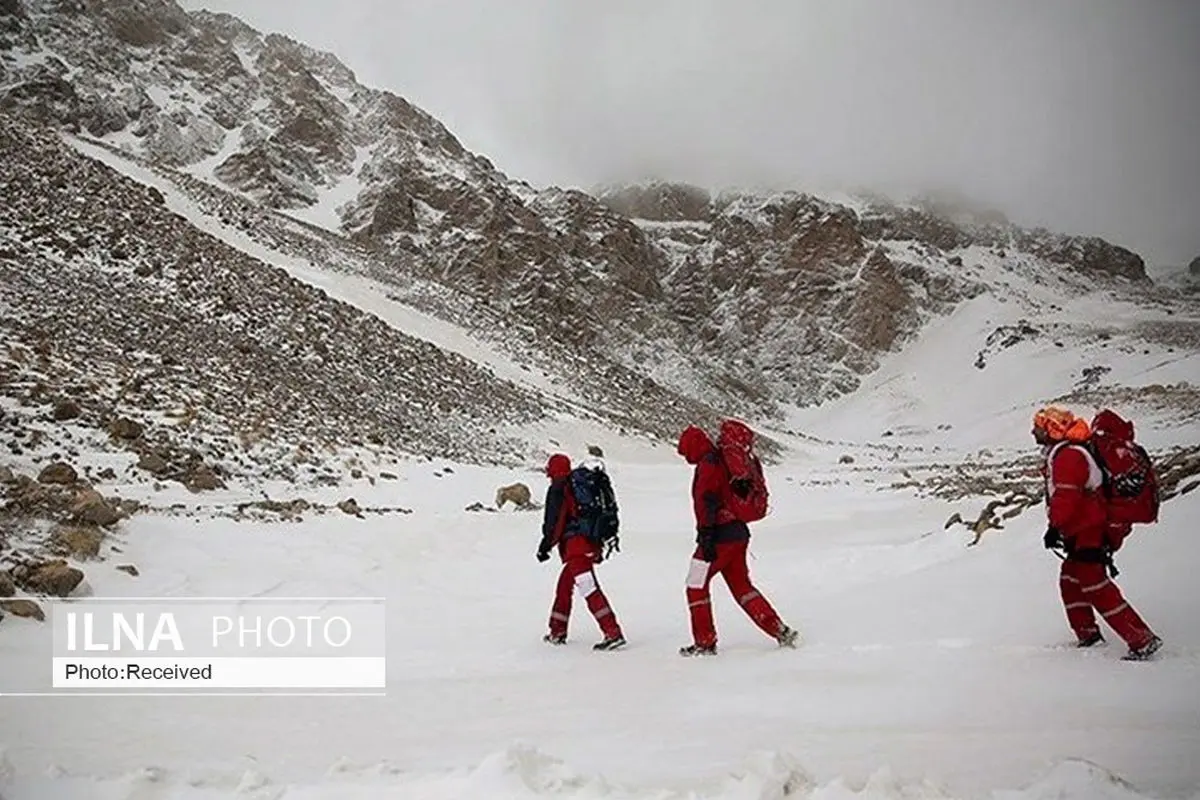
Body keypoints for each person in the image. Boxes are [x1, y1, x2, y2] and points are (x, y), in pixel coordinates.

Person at [1033, 407, 1162, 660]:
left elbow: (1066, 497)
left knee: (1094, 583)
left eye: (1038, 426)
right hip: (1086, 528)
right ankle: (1087, 635)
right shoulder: (1069, 452)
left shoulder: (1069, 456)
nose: (1033, 431)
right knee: (1071, 580)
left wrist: (1054, 526)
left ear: (1051, 428)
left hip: (1089, 530)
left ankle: (1141, 639)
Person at [675, 425, 799, 656]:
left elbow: (705, 502)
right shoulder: (722, 460)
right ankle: (779, 629)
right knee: (742, 587)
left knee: (695, 585)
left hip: (718, 536)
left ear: (693, 447)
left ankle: (705, 642)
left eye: (685, 453)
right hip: (738, 535)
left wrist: (706, 537)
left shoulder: (708, 464)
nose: (685, 458)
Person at [536, 453, 626, 651]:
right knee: (564, 586)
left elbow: (554, 523)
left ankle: (612, 631)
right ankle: (557, 631)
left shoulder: (559, 489)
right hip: (589, 544)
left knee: (588, 588)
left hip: (576, 548)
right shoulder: (577, 486)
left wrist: (545, 546)